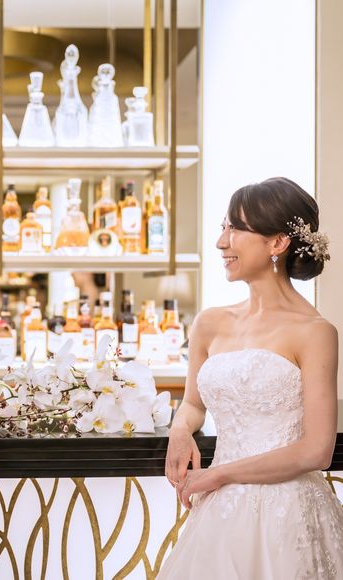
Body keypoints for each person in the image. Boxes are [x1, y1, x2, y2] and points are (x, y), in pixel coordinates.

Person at [159, 177, 343, 579]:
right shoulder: (209, 323)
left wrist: (219, 473)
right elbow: (192, 403)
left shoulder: (315, 332)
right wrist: (180, 429)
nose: (221, 242)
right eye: (223, 227)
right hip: (220, 514)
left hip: (287, 512)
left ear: (277, 243)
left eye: (235, 229)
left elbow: (317, 451)